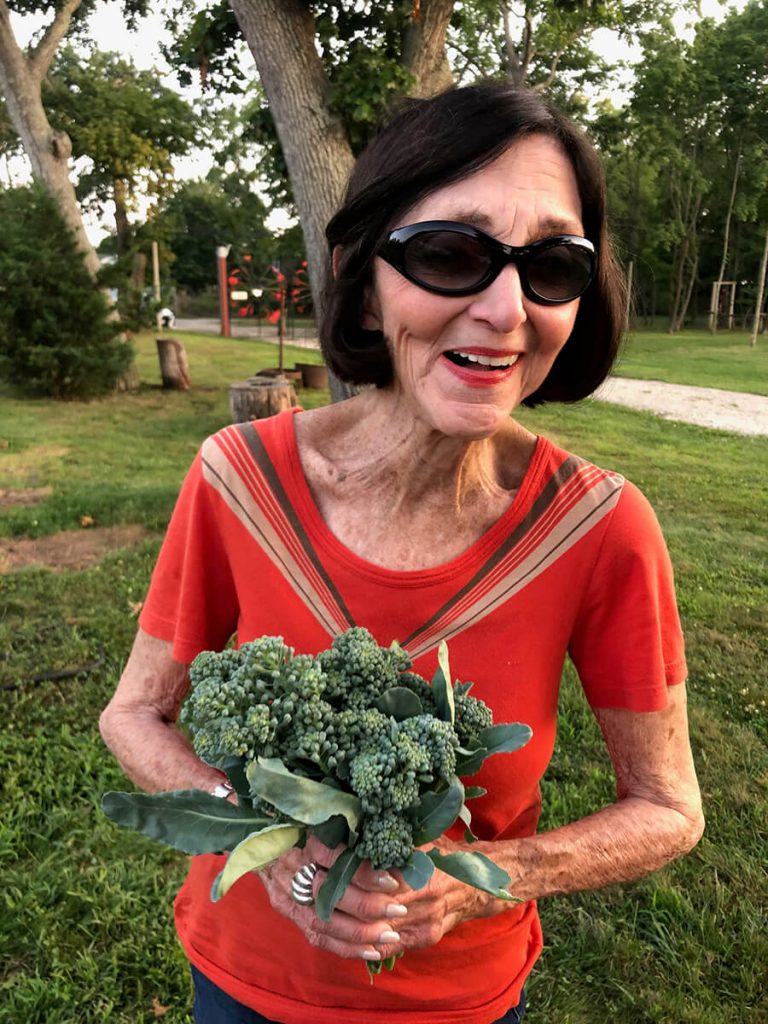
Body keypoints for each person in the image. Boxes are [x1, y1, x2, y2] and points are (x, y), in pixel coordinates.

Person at [100, 82, 704, 1024]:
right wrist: (267, 843)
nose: (506, 309)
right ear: (365, 281)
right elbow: (134, 716)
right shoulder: (239, 481)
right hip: (242, 988)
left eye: (552, 264)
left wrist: (478, 877)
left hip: (461, 1004)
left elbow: (670, 809)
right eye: (452, 254)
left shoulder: (601, 530)